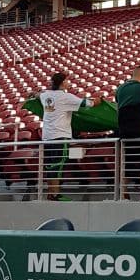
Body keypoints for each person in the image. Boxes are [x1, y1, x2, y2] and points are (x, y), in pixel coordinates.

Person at [38, 71, 99, 201]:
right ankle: (55, 194)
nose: (68, 83)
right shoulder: (66, 97)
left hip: (47, 136)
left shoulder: (46, 95)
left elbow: (38, 95)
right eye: (66, 80)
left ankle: (51, 193)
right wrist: (98, 101)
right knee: (58, 164)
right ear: (63, 82)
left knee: (50, 165)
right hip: (60, 135)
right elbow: (88, 104)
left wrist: (33, 94)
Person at [116, 66, 140, 198]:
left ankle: (124, 193)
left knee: (127, 160)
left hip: (123, 128)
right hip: (139, 127)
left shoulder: (120, 89)